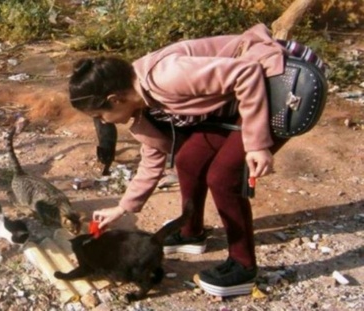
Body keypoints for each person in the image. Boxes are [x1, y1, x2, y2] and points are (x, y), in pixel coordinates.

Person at [68, 23, 291, 297]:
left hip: (278, 81)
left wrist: (256, 145)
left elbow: (247, 73)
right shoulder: (138, 110)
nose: (103, 122)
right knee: (187, 160)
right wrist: (122, 208)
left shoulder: (167, 76)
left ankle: (243, 267)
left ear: (114, 99)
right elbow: (152, 161)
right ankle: (191, 232)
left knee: (223, 177)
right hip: (238, 100)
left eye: (100, 116)